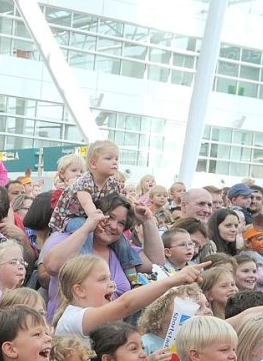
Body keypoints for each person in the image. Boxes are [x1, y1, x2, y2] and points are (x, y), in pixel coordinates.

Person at [42, 194, 164, 318]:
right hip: (70, 332)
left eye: (121, 223)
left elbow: (156, 263)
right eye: (110, 217)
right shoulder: (67, 239)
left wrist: (147, 221)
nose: (113, 226)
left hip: (109, 333)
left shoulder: (120, 250)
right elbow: (52, 267)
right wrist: (87, 228)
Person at [48, 141, 143, 286]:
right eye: (109, 158)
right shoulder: (84, 181)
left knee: (122, 240)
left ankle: (133, 278)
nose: (114, 162)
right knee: (85, 231)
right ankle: (86, 268)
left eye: (116, 159)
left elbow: (120, 202)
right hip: (73, 217)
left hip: (94, 216)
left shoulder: (112, 183)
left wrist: (133, 204)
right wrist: (95, 221)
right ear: (93, 164)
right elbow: (87, 204)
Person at [53, 254, 204, 339]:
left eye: (110, 278)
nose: (111, 284)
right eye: (102, 279)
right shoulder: (73, 318)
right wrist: (173, 280)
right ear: (79, 290)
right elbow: (125, 305)